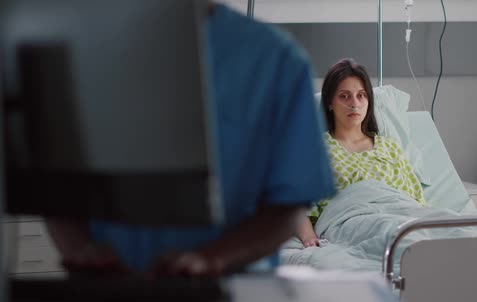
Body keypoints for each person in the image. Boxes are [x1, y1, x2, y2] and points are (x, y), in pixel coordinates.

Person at [46, 2, 335, 277]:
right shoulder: (80, 50)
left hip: (229, 296)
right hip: (108, 292)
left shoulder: (277, 60)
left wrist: (212, 259)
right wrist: (82, 250)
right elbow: (53, 183)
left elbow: (290, 204)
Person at [296, 58, 425, 248]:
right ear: (330, 102)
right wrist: (308, 238)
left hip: (404, 218)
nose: (354, 104)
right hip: (353, 223)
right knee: (402, 240)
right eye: (344, 96)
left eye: (361, 95)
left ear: (368, 101)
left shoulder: (391, 148)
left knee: (451, 230)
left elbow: (416, 202)